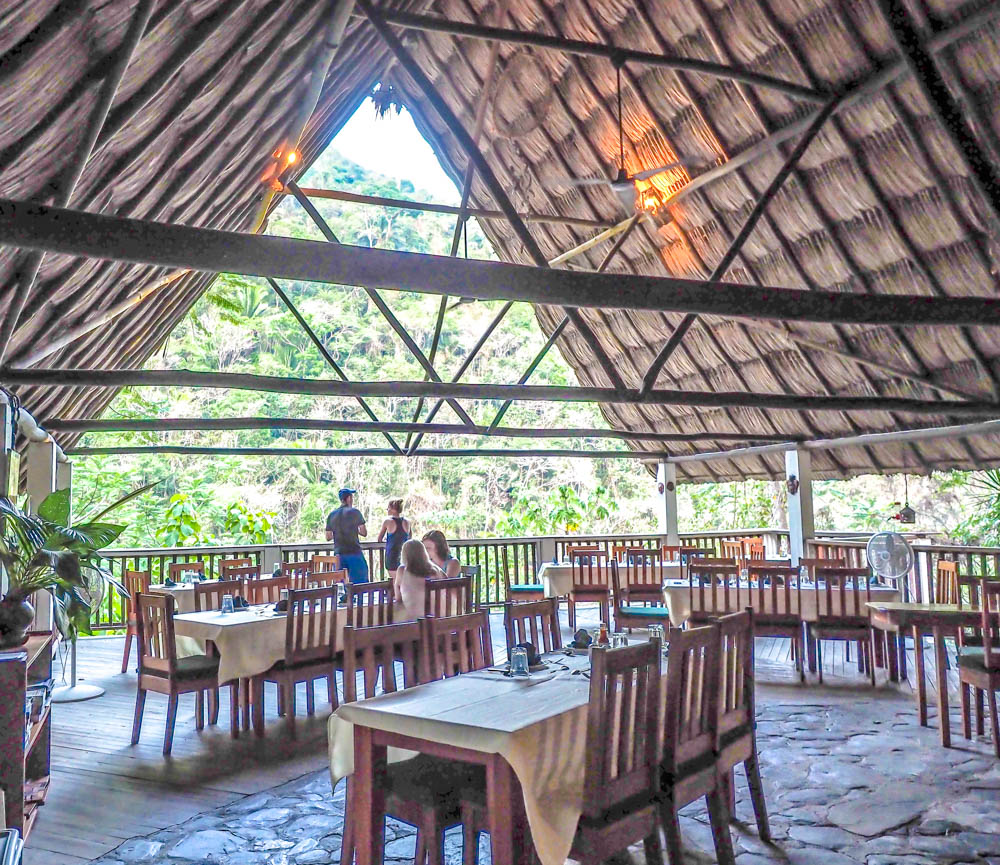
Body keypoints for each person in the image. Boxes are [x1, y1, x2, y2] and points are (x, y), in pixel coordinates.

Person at [324, 488, 368, 584]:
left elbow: (328, 537)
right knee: (360, 581)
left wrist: (339, 530)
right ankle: (357, 598)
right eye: (351, 497)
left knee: (341, 582)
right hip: (354, 552)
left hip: (339, 553)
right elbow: (364, 532)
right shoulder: (355, 512)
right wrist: (352, 528)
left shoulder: (332, 515)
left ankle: (346, 598)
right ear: (348, 499)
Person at [394, 538, 443, 614]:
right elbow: (448, 585)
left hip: (417, 618)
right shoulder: (436, 569)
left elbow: (398, 598)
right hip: (442, 614)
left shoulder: (402, 570)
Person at [377, 498, 410, 579]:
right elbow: (409, 538)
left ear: (393, 509)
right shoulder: (407, 522)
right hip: (405, 555)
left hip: (392, 555)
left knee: (395, 582)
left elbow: (379, 539)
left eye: (388, 507)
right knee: (403, 581)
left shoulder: (388, 522)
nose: (387, 509)